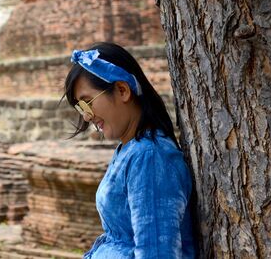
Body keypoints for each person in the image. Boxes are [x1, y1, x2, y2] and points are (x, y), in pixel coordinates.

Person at [63, 42, 196, 258]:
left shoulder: (149, 157)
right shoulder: (130, 149)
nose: (86, 116)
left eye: (88, 103)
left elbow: (157, 253)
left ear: (122, 90)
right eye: (81, 108)